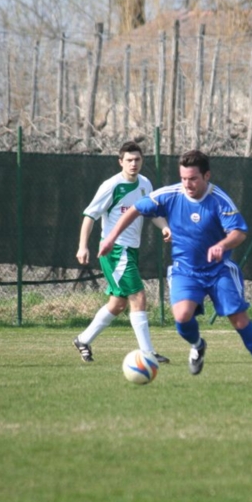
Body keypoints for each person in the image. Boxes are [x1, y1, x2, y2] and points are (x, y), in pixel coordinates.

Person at [98, 150, 252, 385]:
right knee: (182, 317)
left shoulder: (219, 200)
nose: (187, 184)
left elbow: (239, 232)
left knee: (239, 321)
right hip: (185, 271)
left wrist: (222, 245)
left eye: (193, 179)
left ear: (206, 176)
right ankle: (197, 345)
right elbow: (136, 209)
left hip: (219, 270)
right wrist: (111, 238)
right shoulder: (170, 195)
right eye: (183, 178)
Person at [74, 141, 171, 364]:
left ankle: (83, 340)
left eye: (137, 159)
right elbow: (90, 215)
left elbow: (152, 212)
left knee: (118, 304)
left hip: (131, 250)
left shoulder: (145, 184)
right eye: (129, 160)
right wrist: (82, 246)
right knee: (138, 296)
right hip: (116, 250)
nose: (133, 164)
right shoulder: (112, 186)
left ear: (142, 161)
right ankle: (147, 353)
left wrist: (165, 227)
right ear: (120, 162)